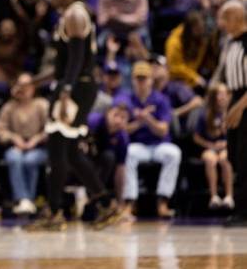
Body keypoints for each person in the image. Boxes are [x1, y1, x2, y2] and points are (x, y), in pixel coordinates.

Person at [24, 0, 119, 231]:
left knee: (58, 149)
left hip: (76, 89)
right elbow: (62, 66)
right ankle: (104, 203)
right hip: (73, 86)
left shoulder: (76, 15)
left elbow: (77, 60)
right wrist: (33, 82)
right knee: (71, 153)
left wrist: (65, 92)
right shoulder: (68, 15)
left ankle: (55, 211)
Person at [120, 61, 181, 219]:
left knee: (174, 154)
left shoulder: (161, 100)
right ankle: (129, 203)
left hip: (159, 145)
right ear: (132, 80)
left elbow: (163, 130)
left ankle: (163, 202)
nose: (141, 82)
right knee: (127, 153)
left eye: (144, 78)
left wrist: (147, 119)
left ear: (151, 80)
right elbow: (123, 128)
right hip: (138, 145)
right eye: (138, 78)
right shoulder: (127, 99)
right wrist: (140, 121)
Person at [0, 73, 49, 215]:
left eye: (27, 85)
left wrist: (36, 139)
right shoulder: (9, 106)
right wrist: (13, 138)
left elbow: (50, 128)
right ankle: (23, 199)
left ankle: (28, 199)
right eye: (20, 85)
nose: (23, 89)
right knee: (14, 158)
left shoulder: (41, 104)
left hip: (38, 146)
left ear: (33, 87)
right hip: (16, 146)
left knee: (30, 160)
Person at [216, 0, 247, 226]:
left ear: (238, 17)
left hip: (245, 100)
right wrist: (229, 107)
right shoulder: (230, 43)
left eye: (225, 17)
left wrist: (239, 105)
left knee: (245, 158)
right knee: (234, 157)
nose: (222, 23)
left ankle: (243, 212)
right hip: (236, 97)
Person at [193, 84, 234, 210]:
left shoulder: (233, 112)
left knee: (224, 159)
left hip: (227, 148)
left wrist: (226, 144)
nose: (221, 97)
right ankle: (214, 196)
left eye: (224, 93)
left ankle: (229, 196)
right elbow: (196, 136)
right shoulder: (205, 114)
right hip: (209, 147)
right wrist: (210, 145)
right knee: (210, 159)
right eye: (218, 93)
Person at [88, 104, 130, 205]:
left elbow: (121, 169)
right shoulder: (93, 121)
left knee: (109, 157)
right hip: (79, 160)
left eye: (123, 118)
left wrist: (121, 201)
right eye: (115, 115)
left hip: (98, 165)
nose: (118, 120)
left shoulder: (122, 138)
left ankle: (96, 197)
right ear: (107, 114)